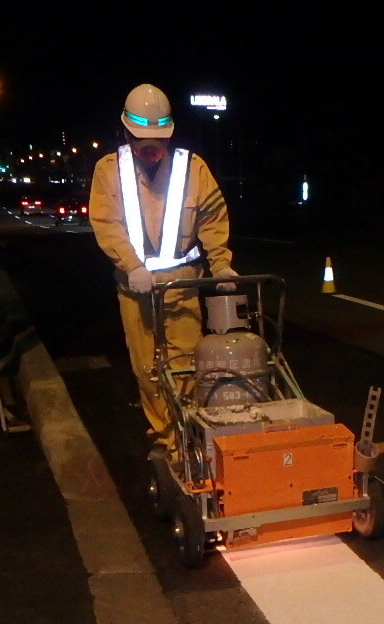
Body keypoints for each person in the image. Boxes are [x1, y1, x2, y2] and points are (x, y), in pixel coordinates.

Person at [88, 83, 238, 451]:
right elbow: (107, 224)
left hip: (183, 288)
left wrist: (221, 266)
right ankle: (165, 439)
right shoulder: (109, 171)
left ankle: (188, 435)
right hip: (136, 291)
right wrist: (132, 265)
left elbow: (212, 219)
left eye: (158, 140)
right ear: (126, 132)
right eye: (142, 140)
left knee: (186, 365)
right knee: (148, 370)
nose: (151, 148)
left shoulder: (193, 168)